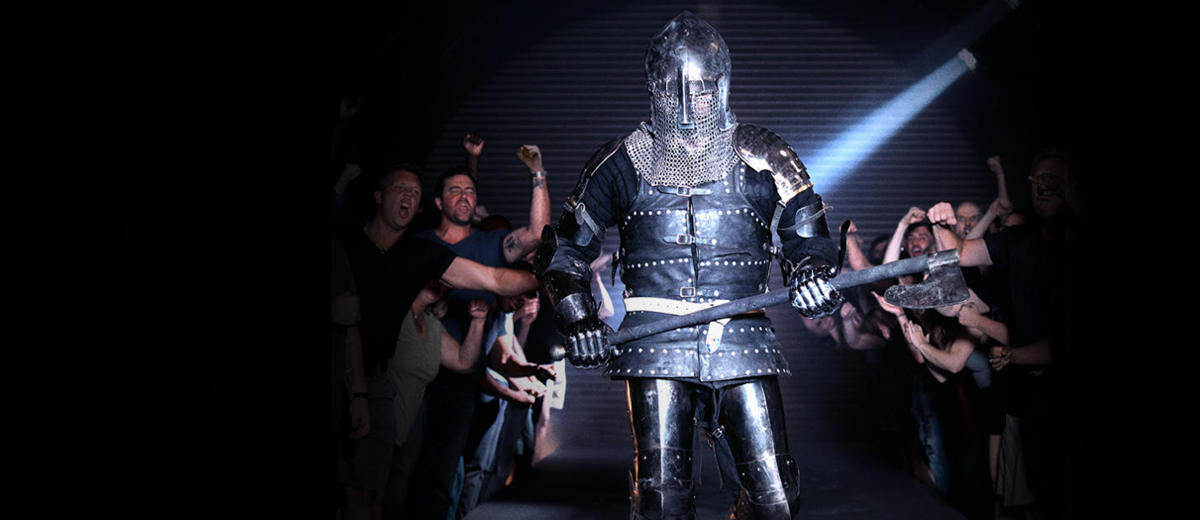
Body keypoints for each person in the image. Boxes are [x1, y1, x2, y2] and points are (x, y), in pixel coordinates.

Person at [538, 12, 843, 519]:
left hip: (742, 339)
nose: (685, 108)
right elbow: (564, 252)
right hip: (655, 342)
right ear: (654, 92)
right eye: (671, 93)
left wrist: (810, 274)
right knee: (662, 501)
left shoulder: (765, 156)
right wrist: (578, 318)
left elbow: (808, 238)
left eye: (699, 94)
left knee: (774, 499)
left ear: (719, 90)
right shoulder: (620, 161)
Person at [335, 164, 538, 520]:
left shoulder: (421, 255)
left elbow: (491, 280)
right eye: (401, 188)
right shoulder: (348, 244)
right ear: (379, 196)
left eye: (415, 192)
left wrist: (546, 277)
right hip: (346, 376)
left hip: (378, 385)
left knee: (375, 494)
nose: (408, 197)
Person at [406, 144, 551, 520]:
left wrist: (537, 173)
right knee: (401, 472)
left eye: (470, 190)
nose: (464, 196)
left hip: (461, 382)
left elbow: (536, 234)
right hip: (412, 378)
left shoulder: (488, 245)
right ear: (438, 202)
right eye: (454, 190)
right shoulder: (420, 246)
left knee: (440, 478)